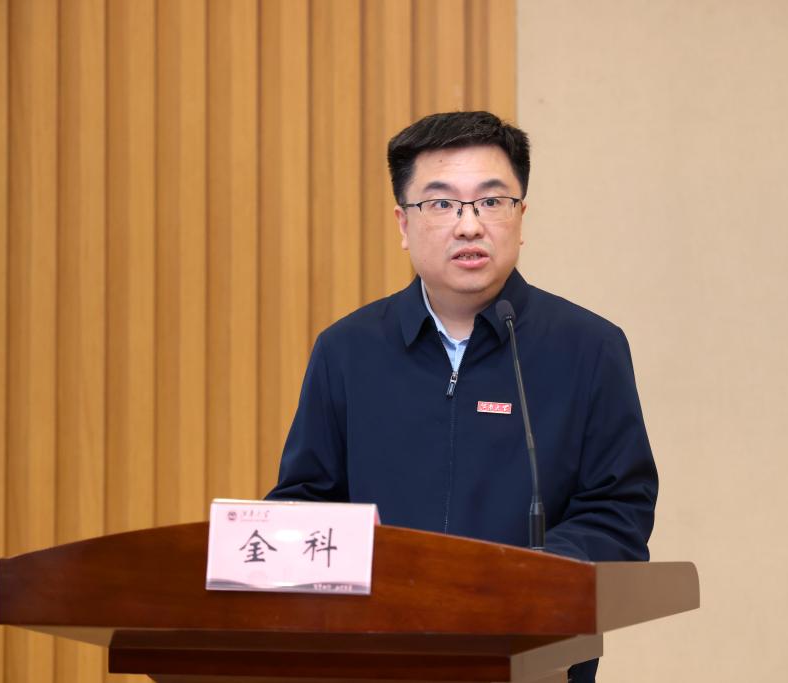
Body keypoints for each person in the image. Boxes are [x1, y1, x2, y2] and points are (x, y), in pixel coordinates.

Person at [267, 111, 658, 682]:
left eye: (492, 201)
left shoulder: (589, 348)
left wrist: (516, 581)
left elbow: (619, 511)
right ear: (403, 223)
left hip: (532, 660)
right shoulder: (347, 350)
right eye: (442, 203)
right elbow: (304, 502)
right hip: (376, 663)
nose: (469, 225)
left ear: (521, 218)